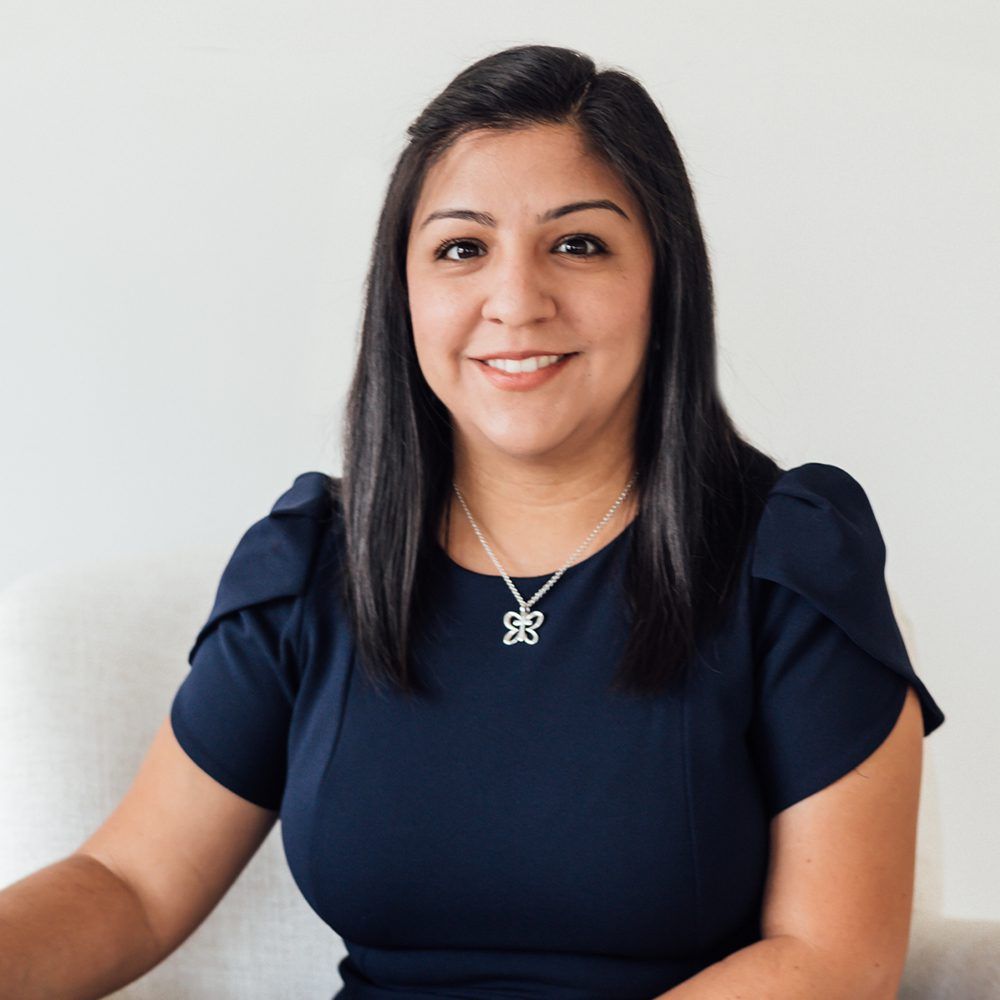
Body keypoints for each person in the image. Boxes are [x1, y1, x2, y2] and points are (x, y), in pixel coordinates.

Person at [0, 43, 946, 1000]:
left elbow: (833, 962)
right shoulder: (315, 568)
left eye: (578, 244)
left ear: (664, 281)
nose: (516, 302)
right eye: (462, 248)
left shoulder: (786, 563)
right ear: (402, 293)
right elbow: (130, 886)